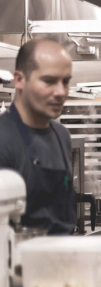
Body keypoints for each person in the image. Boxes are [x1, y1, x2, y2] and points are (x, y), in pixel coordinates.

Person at [0, 39, 76, 235]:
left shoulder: (62, 136)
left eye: (66, 82)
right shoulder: (4, 139)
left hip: (64, 260)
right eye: (49, 81)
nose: (61, 92)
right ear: (19, 80)